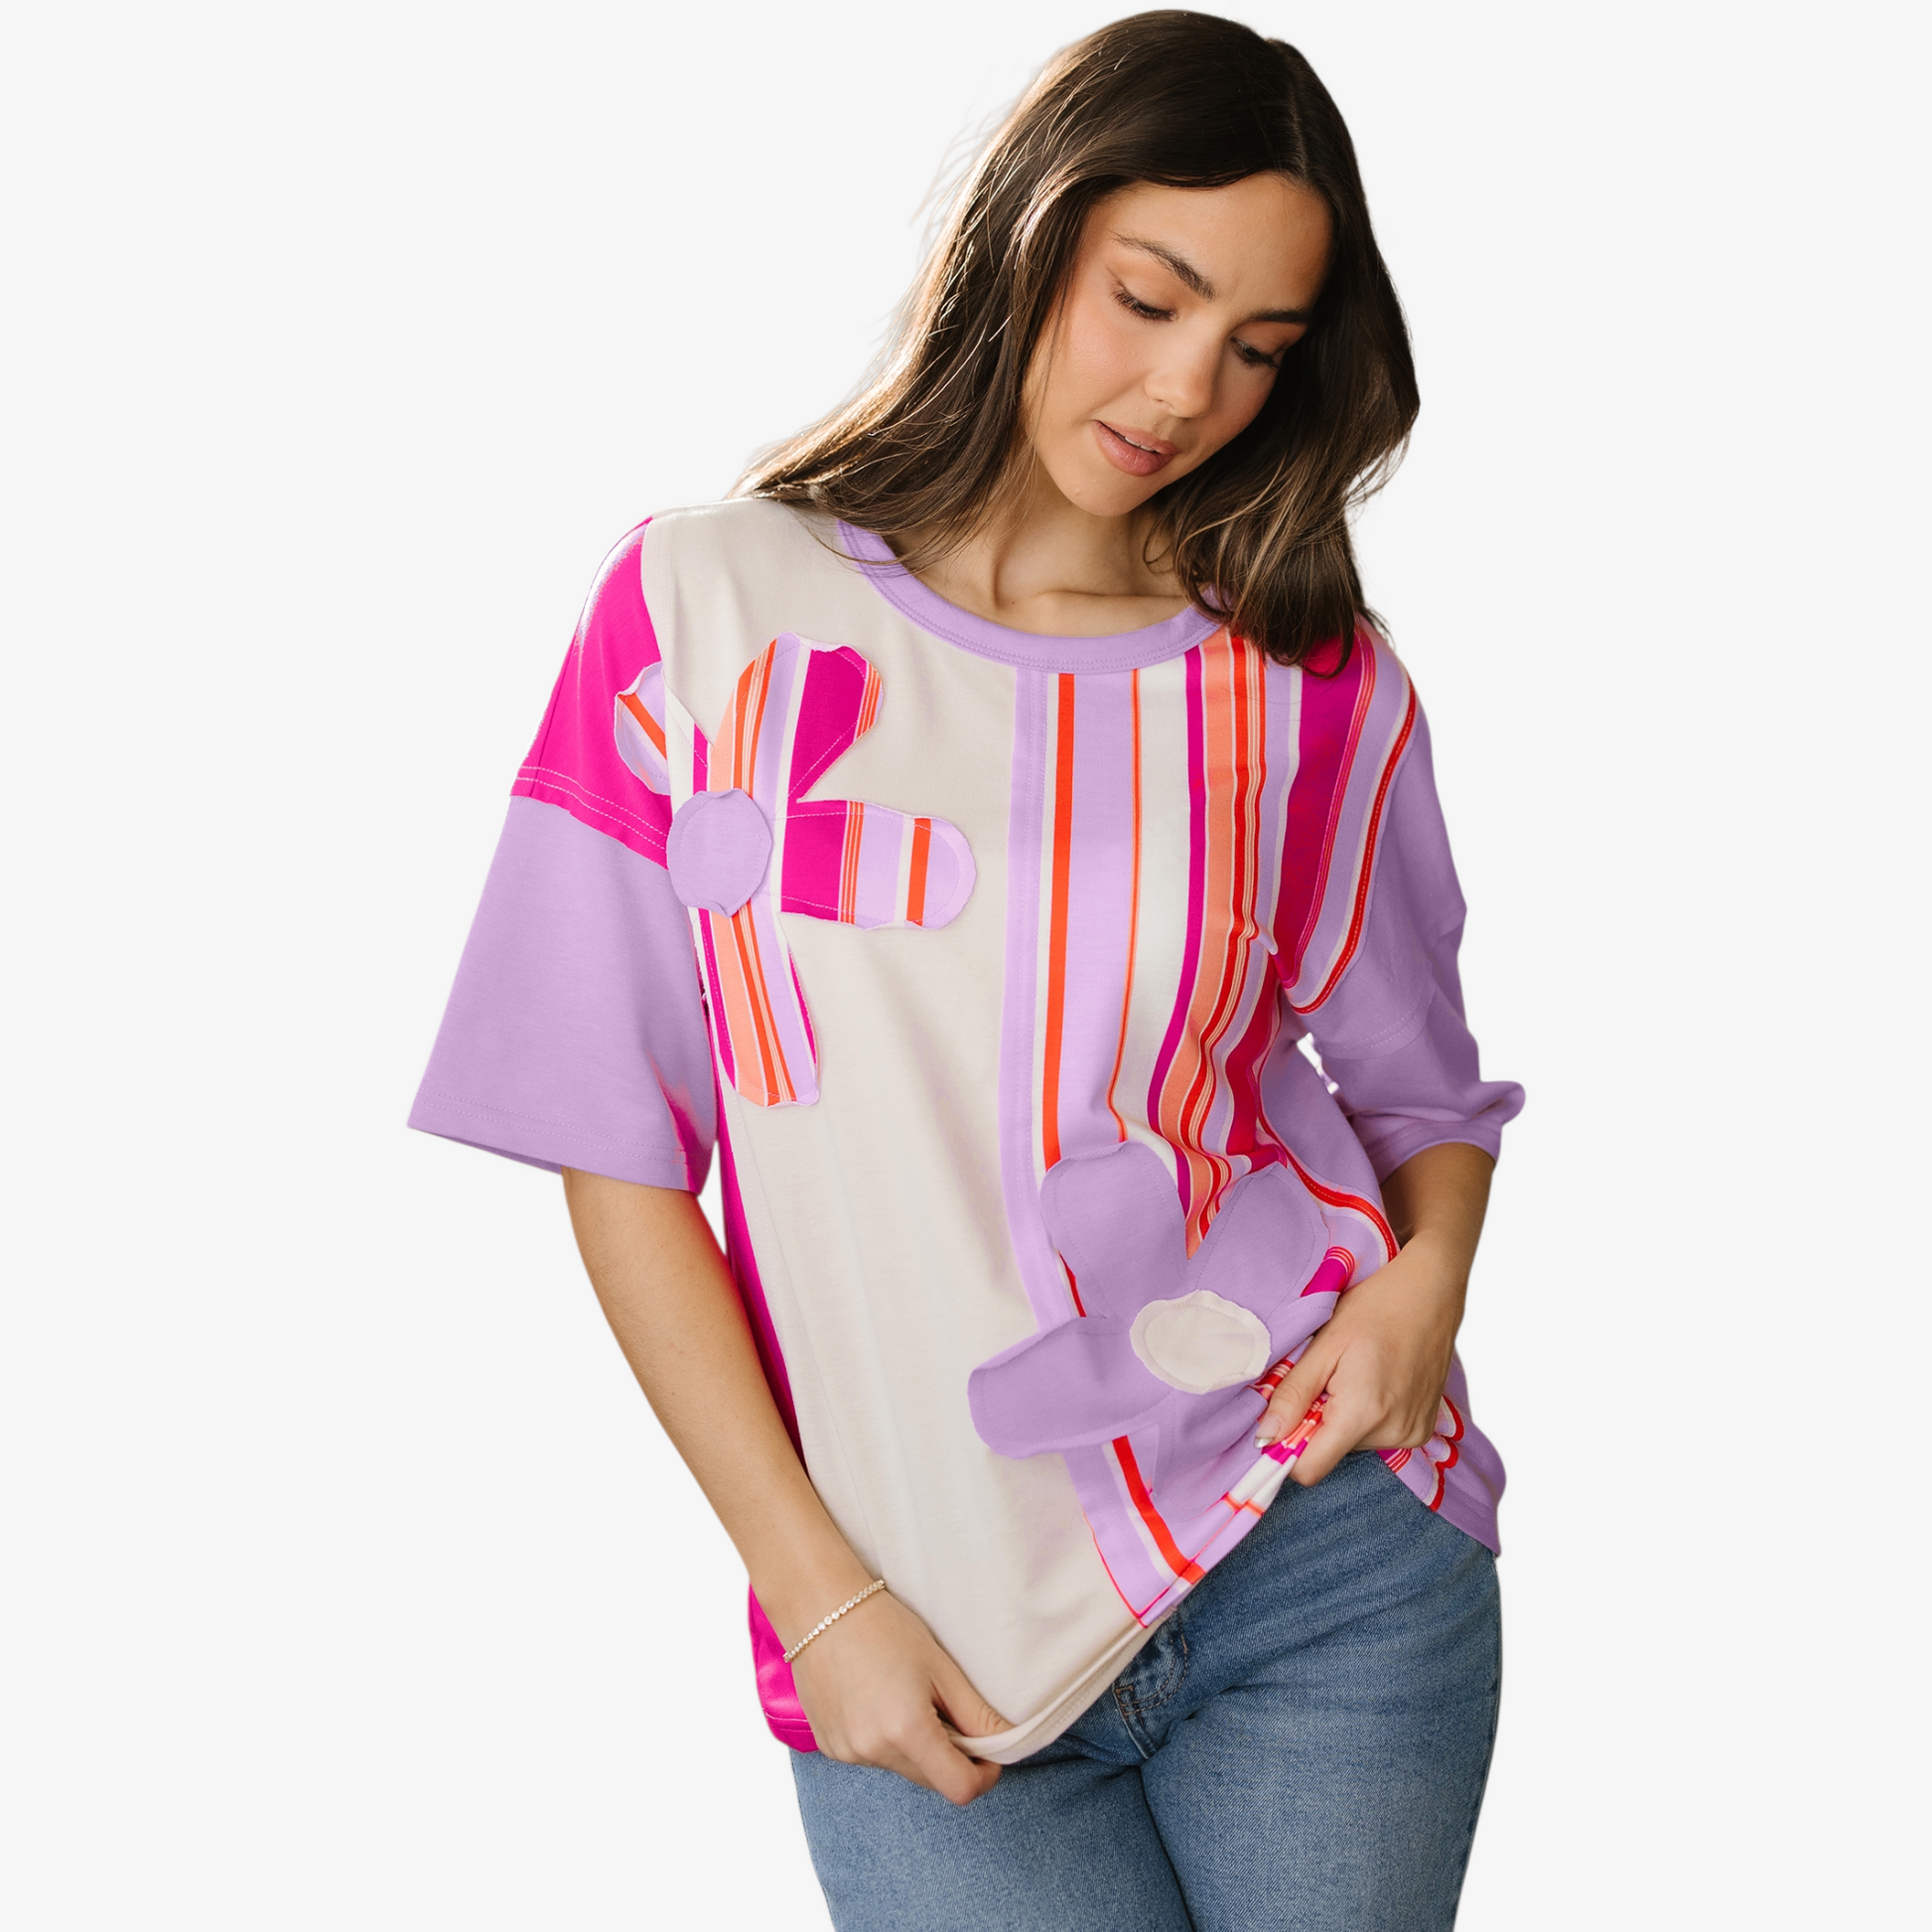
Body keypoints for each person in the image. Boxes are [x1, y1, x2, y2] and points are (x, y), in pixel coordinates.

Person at [409, 11, 1523, 1927]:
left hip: (1316, 1555)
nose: (1187, 388)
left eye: (1257, 348)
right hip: (910, 1616)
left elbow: (1418, 1091)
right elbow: (617, 1149)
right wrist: (814, 1591)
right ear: (1030, 237)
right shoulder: (702, 610)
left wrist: (1423, 1291)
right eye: (1149, 298)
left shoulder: (1309, 685)